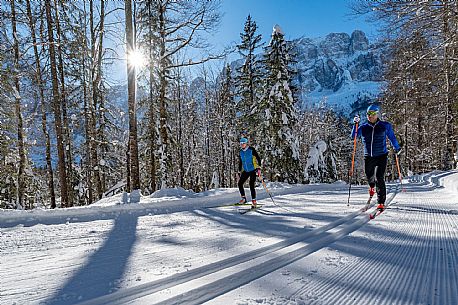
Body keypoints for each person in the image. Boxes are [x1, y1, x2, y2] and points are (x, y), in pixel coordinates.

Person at [352, 104, 401, 211]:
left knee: (379, 177)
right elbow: (354, 137)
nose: (370, 116)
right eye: (368, 114)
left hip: (382, 155)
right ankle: (371, 187)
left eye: (373, 114)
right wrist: (355, 124)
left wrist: (397, 147)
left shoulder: (385, 126)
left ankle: (381, 202)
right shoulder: (363, 127)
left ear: (377, 114)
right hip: (368, 156)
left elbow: (392, 137)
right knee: (369, 176)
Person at [238, 137, 262, 208]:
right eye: (241, 143)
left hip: (252, 170)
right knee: (240, 184)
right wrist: (239, 171)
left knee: (251, 185)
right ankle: (243, 198)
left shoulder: (251, 150)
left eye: (243, 143)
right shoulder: (241, 152)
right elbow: (240, 162)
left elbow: (258, 158)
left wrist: (259, 167)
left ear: (246, 143)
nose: (242, 145)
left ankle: (254, 201)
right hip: (245, 170)